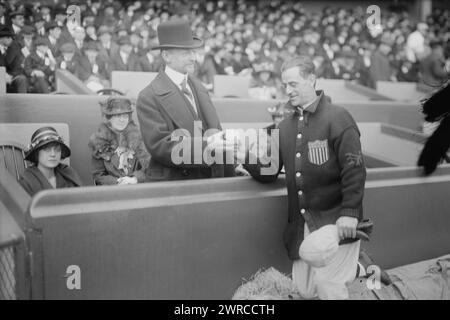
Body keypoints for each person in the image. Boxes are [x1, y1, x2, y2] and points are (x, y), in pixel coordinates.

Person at [241, 56, 367, 299]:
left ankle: (346, 270)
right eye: (285, 85)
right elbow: (269, 171)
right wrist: (241, 156)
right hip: (302, 225)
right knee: (306, 291)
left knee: (328, 284)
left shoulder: (338, 117)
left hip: (335, 219)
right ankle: (354, 269)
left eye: (294, 84)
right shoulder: (286, 126)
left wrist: (350, 213)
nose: (288, 91)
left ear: (311, 79)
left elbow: (355, 168)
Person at [136, 18, 235, 181]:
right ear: (166, 56)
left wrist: (233, 165)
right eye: (186, 53)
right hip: (177, 186)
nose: (193, 58)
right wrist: (208, 145)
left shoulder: (199, 87)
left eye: (193, 52)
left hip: (213, 181)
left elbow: (215, 130)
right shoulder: (148, 97)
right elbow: (161, 146)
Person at [88, 97, 150, 185]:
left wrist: (135, 179)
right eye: (117, 116)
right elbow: (98, 175)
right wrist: (117, 182)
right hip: (111, 193)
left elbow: (149, 168)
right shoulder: (99, 141)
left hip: (137, 190)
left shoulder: (139, 138)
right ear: (109, 118)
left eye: (125, 116)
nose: (122, 120)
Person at [19, 126, 82, 196]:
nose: (53, 154)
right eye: (47, 149)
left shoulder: (68, 174)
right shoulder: (27, 181)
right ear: (36, 153)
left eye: (57, 149)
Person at [0, 25, 28, 93]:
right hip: (5, 74)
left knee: (21, 79)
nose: (0, 41)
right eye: (8, 37)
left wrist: (2, 51)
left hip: (13, 74)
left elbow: (7, 63)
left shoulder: (12, 47)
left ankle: (22, 102)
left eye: (1, 39)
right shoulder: (11, 47)